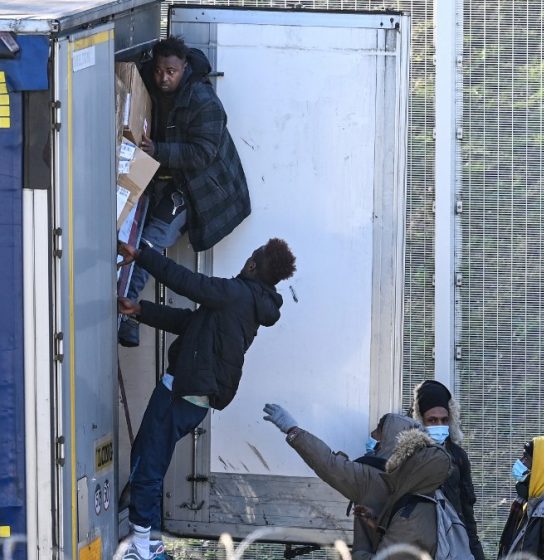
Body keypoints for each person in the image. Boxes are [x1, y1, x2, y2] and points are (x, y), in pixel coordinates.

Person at [116, 238, 295, 560]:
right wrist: (142, 310)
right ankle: (151, 542)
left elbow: (185, 281)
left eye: (250, 256)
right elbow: (190, 323)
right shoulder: (250, 304)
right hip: (195, 396)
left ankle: (141, 545)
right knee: (153, 460)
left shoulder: (236, 293)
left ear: (253, 265)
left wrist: (141, 255)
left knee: (146, 463)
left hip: (180, 390)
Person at [119, 35, 251, 347]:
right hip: (162, 178)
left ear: (185, 68)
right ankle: (126, 311)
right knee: (133, 235)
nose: (164, 78)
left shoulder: (204, 101)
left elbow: (202, 154)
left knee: (148, 243)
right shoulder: (149, 80)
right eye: (159, 71)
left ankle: (127, 314)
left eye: (171, 72)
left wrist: (158, 150)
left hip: (197, 188)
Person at [263, 404, 450, 560]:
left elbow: (327, 464)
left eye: (378, 430)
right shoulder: (421, 482)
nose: (373, 434)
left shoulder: (371, 476)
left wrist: (293, 431)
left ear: (390, 438)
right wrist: (375, 523)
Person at [412, 380, 485, 559]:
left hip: (454, 541)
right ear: (420, 419)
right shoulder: (410, 456)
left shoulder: (458, 456)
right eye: (432, 420)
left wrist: (476, 553)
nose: (439, 425)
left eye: (444, 420)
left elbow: (467, 511)